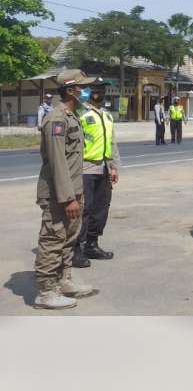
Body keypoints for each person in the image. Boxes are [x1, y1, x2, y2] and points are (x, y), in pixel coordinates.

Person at [33, 69, 97, 309]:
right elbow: (58, 162)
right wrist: (68, 198)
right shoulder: (56, 119)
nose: (86, 91)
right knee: (53, 238)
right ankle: (47, 291)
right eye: (83, 87)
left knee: (68, 238)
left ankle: (64, 280)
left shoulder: (72, 116)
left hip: (73, 189)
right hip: (58, 194)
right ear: (71, 90)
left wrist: (77, 194)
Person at [74, 77, 120, 268]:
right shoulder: (80, 113)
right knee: (84, 209)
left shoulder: (107, 115)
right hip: (85, 168)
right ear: (88, 91)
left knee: (101, 208)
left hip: (103, 168)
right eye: (95, 89)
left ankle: (92, 244)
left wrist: (114, 166)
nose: (99, 92)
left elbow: (112, 142)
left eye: (102, 89)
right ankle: (76, 249)